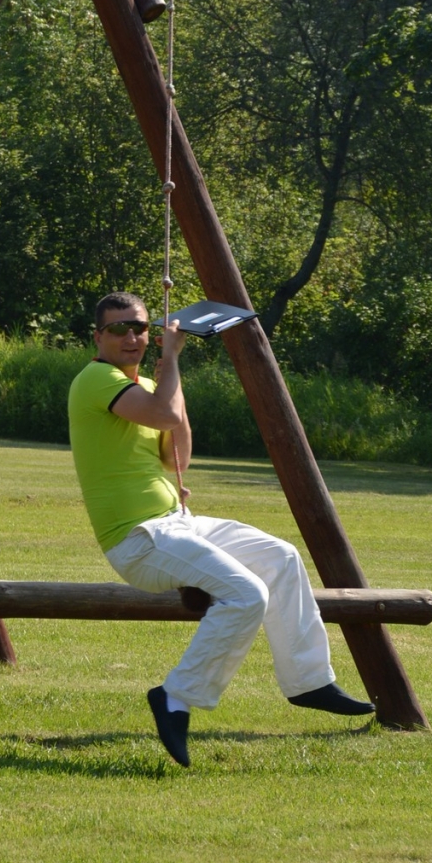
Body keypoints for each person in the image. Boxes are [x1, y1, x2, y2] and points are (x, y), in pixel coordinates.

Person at [67, 290, 373, 767]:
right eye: (118, 329)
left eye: (140, 328)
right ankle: (175, 697)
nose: (131, 337)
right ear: (98, 336)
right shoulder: (95, 379)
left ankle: (309, 682)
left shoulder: (147, 382)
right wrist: (171, 359)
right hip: (138, 540)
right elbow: (166, 414)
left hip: (174, 523)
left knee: (281, 556)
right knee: (247, 593)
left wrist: (169, 369)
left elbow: (177, 457)